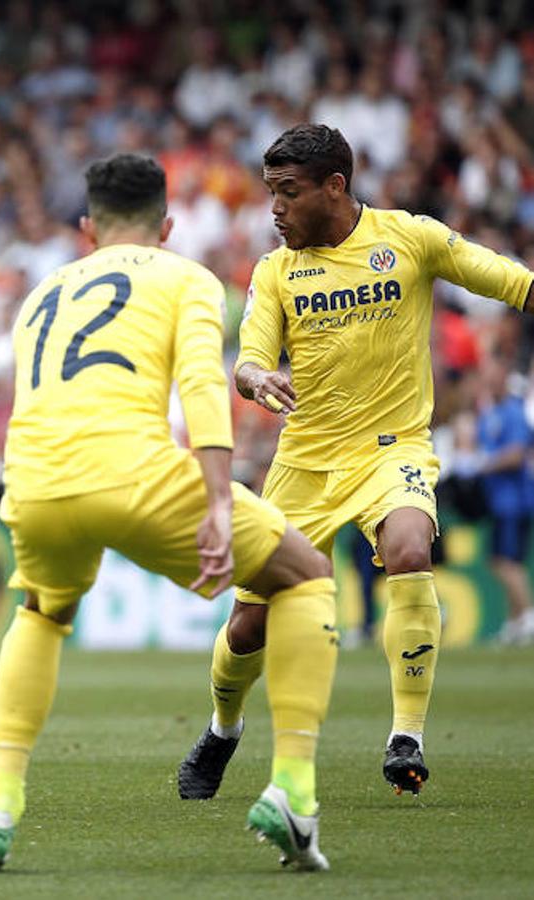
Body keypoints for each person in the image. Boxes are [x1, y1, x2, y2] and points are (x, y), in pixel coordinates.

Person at [0, 154, 338, 873]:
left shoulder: (42, 290)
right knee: (304, 575)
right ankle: (293, 788)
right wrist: (220, 499)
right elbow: (200, 384)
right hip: (129, 469)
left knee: (40, 613)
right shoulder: (185, 277)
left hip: (32, 481)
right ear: (164, 226)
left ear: (86, 228)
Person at [178, 124, 534, 800]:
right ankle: (223, 730)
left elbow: (511, 282)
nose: (273, 208)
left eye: (287, 193)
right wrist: (256, 381)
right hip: (304, 462)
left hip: (391, 449)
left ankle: (406, 736)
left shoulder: (411, 238)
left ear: (333, 187)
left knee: (407, 548)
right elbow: (248, 360)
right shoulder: (273, 271)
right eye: (269, 194)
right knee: (248, 623)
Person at [473, 358, 534, 645]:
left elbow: (516, 453)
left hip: (515, 499)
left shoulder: (513, 411)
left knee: (507, 561)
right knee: (505, 559)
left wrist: (484, 464)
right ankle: (515, 621)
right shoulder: (490, 413)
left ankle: (528, 615)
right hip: (497, 499)